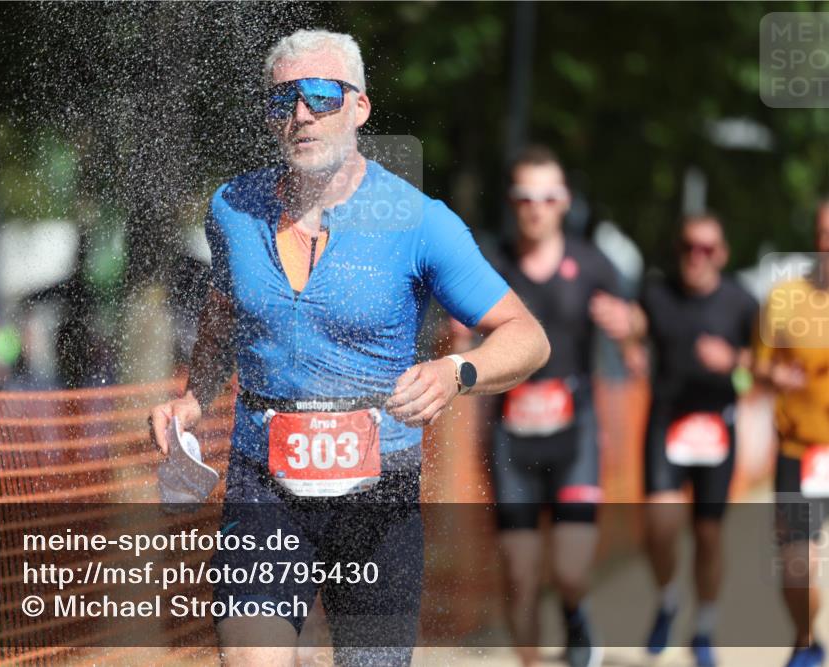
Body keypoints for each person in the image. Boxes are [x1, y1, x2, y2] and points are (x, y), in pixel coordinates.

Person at [148, 30, 550, 667]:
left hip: (378, 494)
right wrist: (194, 400)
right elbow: (223, 315)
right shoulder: (232, 208)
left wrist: (458, 370)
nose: (302, 114)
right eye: (284, 100)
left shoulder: (418, 219)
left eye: (321, 96)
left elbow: (527, 336)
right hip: (263, 486)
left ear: (359, 107)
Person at [484, 145, 635, 667]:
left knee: (570, 569)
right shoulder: (491, 266)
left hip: (576, 434)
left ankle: (576, 615)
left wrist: (628, 327)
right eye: (525, 196)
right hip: (510, 439)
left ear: (564, 201)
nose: (536, 207)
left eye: (547, 196)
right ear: (511, 201)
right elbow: (461, 343)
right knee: (519, 576)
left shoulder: (594, 265)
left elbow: (636, 339)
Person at [626, 213, 758, 666]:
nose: (696, 257)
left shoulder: (741, 302)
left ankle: (703, 628)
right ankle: (667, 600)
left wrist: (734, 361)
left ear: (721, 254)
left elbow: (762, 367)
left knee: (708, 535)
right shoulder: (658, 295)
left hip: (717, 426)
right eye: (688, 247)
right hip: (667, 422)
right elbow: (634, 329)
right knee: (659, 526)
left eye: (706, 249)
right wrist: (630, 347)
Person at [753, 200, 829, 667]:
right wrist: (772, 376)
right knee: (798, 565)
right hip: (801, 451)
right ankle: (805, 638)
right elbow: (757, 364)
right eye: (824, 233)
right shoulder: (783, 298)